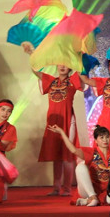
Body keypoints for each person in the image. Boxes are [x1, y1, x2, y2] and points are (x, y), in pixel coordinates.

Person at [34, 65, 89, 196]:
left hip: (68, 120)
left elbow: (84, 74)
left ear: (70, 67)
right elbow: (36, 71)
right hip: (53, 122)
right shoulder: (52, 81)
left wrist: (79, 59)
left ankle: (67, 188)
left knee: (67, 155)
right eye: (60, 64)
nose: (62, 67)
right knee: (56, 155)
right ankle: (56, 188)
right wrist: (32, 54)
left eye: (65, 64)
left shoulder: (72, 80)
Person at [47, 123, 110, 207]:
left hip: (107, 191)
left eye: (107, 137)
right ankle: (93, 197)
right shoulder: (91, 152)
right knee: (80, 167)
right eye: (101, 137)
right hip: (89, 190)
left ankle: (87, 201)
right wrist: (62, 132)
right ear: (96, 140)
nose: (105, 140)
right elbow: (73, 150)